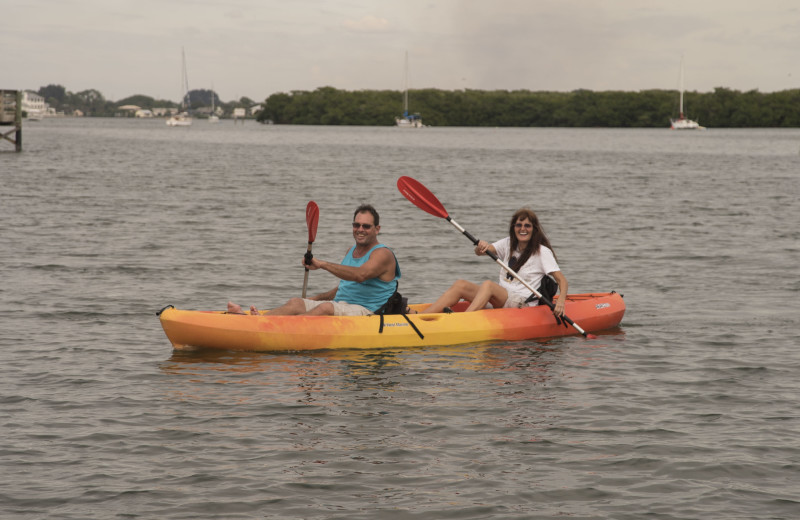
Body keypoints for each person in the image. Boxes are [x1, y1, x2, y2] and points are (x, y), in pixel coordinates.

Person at [227, 204, 400, 316]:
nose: (360, 229)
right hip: (342, 306)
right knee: (296, 302)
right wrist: (315, 298)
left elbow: (360, 275)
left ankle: (273, 329)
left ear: (377, 229)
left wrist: (322, 264)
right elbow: (345, 287)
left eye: (366, 226)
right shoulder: (351, 251)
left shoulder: (383, 254)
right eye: (356, 225)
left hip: (369, 313)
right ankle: (256, 320)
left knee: (326, 308)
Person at [421, 208, 568, 317]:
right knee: (461, 285)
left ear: (533, 229)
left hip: (521, 303)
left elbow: (562, 280)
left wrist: (560, 301)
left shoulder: (542, 252)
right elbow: (482, 251)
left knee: (488, 285)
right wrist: (481, 248)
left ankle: (463, 319)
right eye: (519, 225)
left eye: (527, 226)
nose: (523, 229)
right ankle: (420, 317)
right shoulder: (508, 243)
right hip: (501, 298)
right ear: (514, 228)